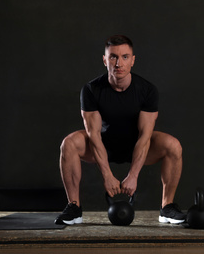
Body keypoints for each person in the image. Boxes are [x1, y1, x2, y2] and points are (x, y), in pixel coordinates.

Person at [55, 35, 185, 225]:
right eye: (113, 57)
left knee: (173, 146)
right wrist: (107, 175)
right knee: (69, 143)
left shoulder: (147, 90)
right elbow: (94, 135)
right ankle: (74, 208)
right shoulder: (91, 90)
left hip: (137, 147)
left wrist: (133, 176)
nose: (118, 63)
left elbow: (145, 136)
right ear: (105, 60)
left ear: (133, 60)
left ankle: (167, 207)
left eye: (125, 57)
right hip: (103, 145)